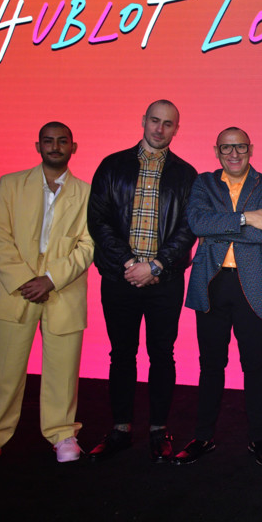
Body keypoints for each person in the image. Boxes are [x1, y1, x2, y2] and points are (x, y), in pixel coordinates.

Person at [0, 122, 94, 473]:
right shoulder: (10, 184)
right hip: (15, 291)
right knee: (4, 372)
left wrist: (50, 280)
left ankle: (62, 434)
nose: (55, 146)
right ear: (38, 146)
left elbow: (88, 245)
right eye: (48, 141)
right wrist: (26, 281)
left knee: (63, 371)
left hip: (63, 290)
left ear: (74, 147)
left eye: (62, 141)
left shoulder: (87, 192)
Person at [86, 99, 197, 462]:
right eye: (155, 121)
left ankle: (158, 430)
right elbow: (98, 220)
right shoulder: (112, 165)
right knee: (121, 353)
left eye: (168, 124)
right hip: (120, 278)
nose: (160, 129)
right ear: (144, 121)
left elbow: (189, 229)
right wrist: (131, 263)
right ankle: (120, 429)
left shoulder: (186, 174)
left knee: (162, 354)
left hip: (165, 281)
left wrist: (157, 266)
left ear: (176, 129)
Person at [173, 128, 262, 467]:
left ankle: (258, 437)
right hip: (212, 283)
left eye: (240, 147)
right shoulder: (203, 183)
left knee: (255, 364)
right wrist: (247, 218)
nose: (233, 154)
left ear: (251, 149)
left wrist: (220, 228)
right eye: (226, 148)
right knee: (210, 364)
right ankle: (203, 436)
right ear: (216, 151)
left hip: (254, 285)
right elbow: (198, 224)